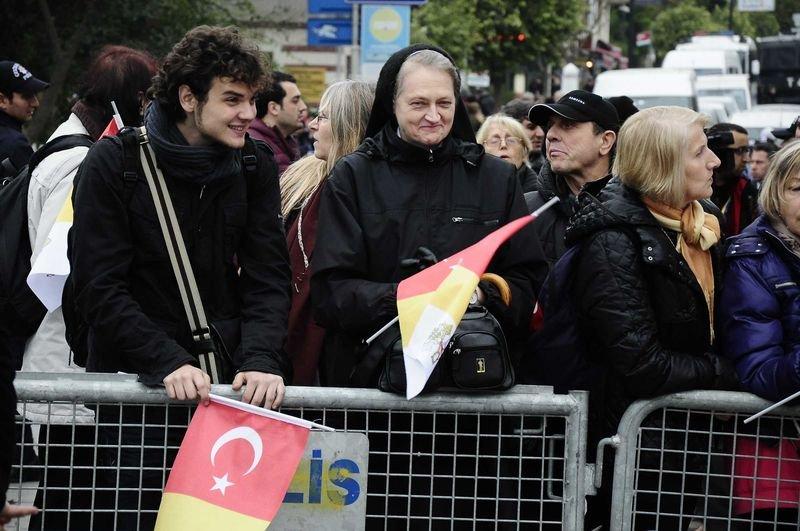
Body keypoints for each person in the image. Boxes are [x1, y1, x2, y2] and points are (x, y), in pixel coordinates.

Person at [69, 26, 291, 529]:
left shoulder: (253, 164)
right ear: (188, 98)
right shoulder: (114, 162)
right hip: (138, 395)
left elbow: (268, 277)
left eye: (253, 100)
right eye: (232, 99)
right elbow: (98, 285)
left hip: (227, 391)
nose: (248, 115)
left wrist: (260, 359)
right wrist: (166, 360)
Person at [311, 44, 547, 387]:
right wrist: (407, 295)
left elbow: (528, 282)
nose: (433, 116)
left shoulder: (496, 179)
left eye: (444, 103)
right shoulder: (353, 177)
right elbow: (330, 293)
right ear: (392, 105)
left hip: (475, 386)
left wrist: (480, 294)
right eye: (419, 103)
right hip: (375, 383)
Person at [564, 106, 739, 528]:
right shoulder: (611, 242)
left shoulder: (703, 223)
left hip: (687, 441)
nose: (714, 162)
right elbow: (642, 364)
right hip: (634, 449)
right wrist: (725, 372)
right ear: (664, 165)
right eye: (700, 153)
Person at [21, 45, 157, 531]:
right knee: (69, 502)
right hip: (67, 363)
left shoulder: (78, 144)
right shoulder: (81, 160)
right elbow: (61, 266)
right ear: (133, 99)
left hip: (72, 364)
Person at [719, 140, 800, 528]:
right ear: (775, 192)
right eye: (799, 189)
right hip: (778, 455)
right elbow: (758, 370)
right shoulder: (752, 259)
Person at [280, 80, 373, 385]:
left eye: (324, 117)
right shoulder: (302, 180)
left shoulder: (366, 193)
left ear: (350, 126)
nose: (312, 125)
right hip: (288, 334)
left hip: (337, 351)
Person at [525, 89, 620, 266]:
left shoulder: (636, 210)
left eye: (568, 124)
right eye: (550, 125)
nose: (551, 135)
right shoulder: (526, 210)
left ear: (605, 141)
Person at [249, 71, 307, 174]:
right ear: (274, 108)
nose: (303, 107)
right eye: (295, 100)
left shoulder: (284, 140)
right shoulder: (256, 145)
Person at [708, 122, 758, 236]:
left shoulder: (747, 190)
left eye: (747, 150)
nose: (746, 159)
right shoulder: (694, 189)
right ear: (719, 152)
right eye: (740, 151)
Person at [0, 60, 48, 172]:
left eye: (34, 95)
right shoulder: (14, 145)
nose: (36, 103)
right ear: (2, 100)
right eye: (27, 96)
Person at [475, 114, 536, 193]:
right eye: (494, 141)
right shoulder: (469, 190)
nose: (503, 145)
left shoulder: (539, 196)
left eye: (511, 140)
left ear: (524, 151)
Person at [500, 97, 545, 173]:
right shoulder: (495, 171)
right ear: (511, 130)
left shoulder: (550, 174)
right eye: (531, 127)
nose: (541, 134)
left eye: (542, 127)